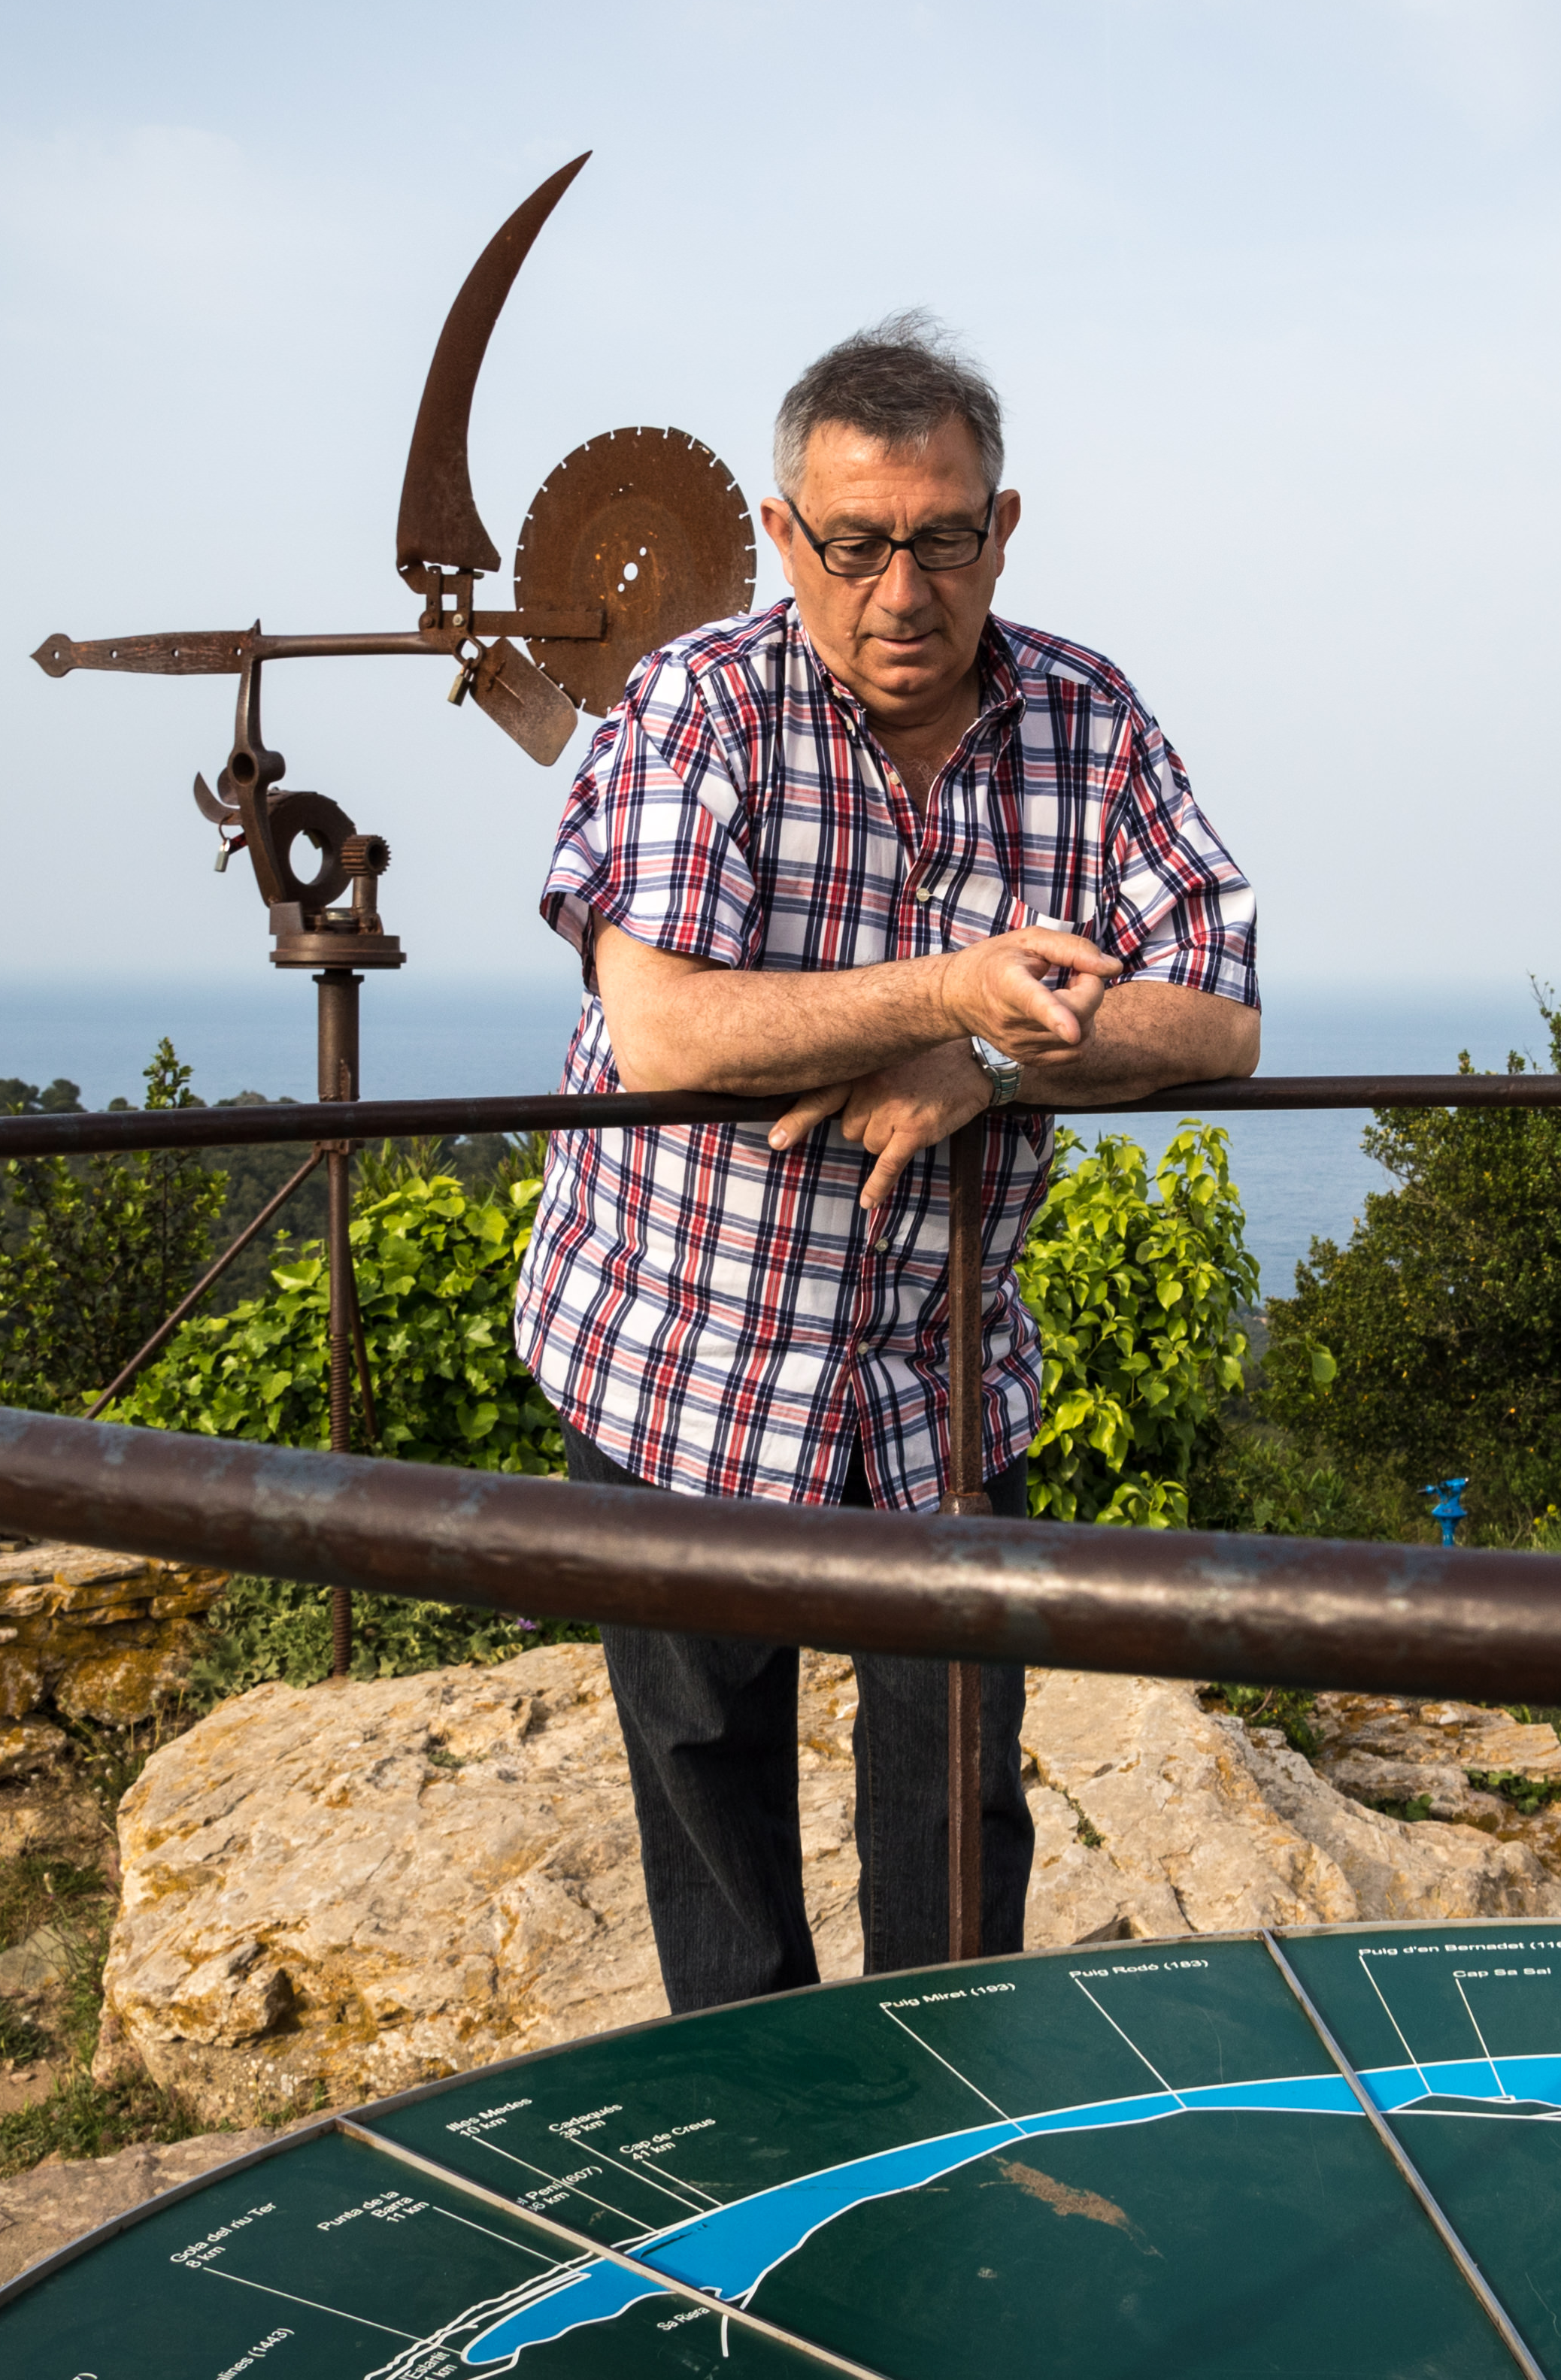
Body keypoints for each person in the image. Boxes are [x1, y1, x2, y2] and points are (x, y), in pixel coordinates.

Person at [512, 312, 1261, 2010]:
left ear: (1005, 528)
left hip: (940, 1373)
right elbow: (665, 1033)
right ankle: (761, 2137)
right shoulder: (695, 708)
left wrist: (983, 1060)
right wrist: (947, 990)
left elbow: (1220, 1013)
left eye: (942, 540)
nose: (901, 593)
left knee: (957, 1810)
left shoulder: (1088, 717)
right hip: (683, 1356)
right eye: (855, 546)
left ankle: (946, 2128)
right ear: (784, 538)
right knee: (711, 1805)